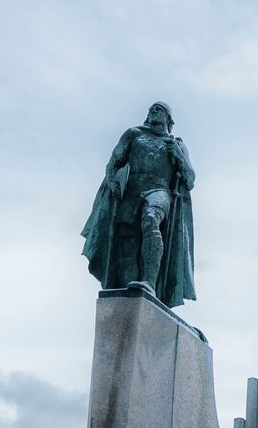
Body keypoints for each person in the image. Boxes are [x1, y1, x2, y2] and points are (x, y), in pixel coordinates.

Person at [81, 102, 196, 307]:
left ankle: (149, 282)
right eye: (151, 109)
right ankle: (129, 292)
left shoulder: (177, 144)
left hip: (159, 190)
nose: (153, 112)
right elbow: (114, 162)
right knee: (128, 240)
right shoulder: (134, 134)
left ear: (169, 119)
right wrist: (113, 181)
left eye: (158, 109)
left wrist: (178, 156)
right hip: (132, 190)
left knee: (150, 218)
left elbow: (190, 179)